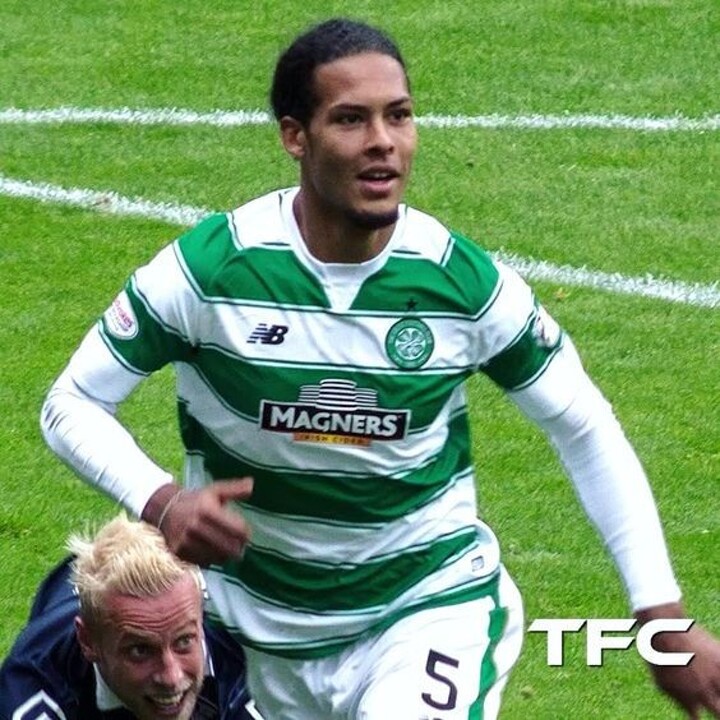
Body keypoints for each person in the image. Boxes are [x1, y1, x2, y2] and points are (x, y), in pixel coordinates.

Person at [39, 16, 720, 720]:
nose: (383, 141)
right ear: (295, 136)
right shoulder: (211, 274)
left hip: (426, 609)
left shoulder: (460, 285)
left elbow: (584, 427)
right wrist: (160, 500)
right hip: (255, 641)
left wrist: (659, 609)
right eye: (350, 119)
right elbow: (72, 403)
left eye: (399, 116)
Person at [0, 514, 259, 720]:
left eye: (184, 641)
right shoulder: (34, 685)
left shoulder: (248, 650)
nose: (171, 678)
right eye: (140, 650)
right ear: (87, 641)